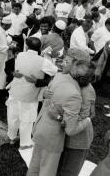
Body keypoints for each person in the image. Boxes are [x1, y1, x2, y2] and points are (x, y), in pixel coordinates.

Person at [27, 48, 92, 176]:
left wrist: (46, 97)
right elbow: (71, 129)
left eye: (66, 61)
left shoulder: (60, 76)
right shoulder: (73, 92)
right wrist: (88, 120)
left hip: (40, 129)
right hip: (52, 137)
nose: (62, 63)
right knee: (47, 171)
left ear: (77, 64)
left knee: (35, 165)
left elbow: (49, 99)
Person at [6, 37, 58, 149]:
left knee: (12, 115)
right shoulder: (43, 61)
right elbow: (54, 71)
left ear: (27, 46)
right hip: (29, 94)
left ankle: (11, 137)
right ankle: (24, 143)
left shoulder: (20, 55)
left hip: (15, 90)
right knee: (27, 119)